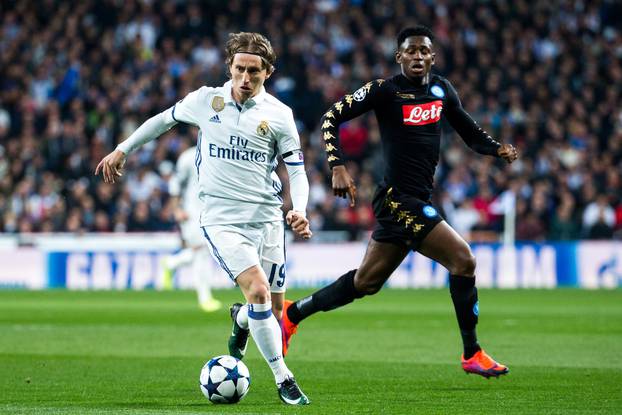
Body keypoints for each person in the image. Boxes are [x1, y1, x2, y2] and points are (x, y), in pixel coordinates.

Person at [282, 26, 518, 378]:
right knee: (463, 260)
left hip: (417, 198)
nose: (418, 56)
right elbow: (330, 117)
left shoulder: (441, 90)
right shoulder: (385, 90)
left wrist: (495, 148)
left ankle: (291, 315)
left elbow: (469, 131)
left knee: (366, 283)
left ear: (432, 57)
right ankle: (472, 352)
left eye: (424, 51)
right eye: (411, 51)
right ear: (399, 56)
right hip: (397, 199)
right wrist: (338, 166)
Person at [96, 32, 312, 405]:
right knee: (258, 291)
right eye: (239, 69)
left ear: (268, 72)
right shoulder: (205, 100)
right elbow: (163, 121)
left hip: (267, 221)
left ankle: (242, 319)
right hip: (220, 219)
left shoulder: (279, 116)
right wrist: (122, 149)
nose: (245, 78)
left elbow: (297, 171)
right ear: (229, 67)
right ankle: (284, 379)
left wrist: (300, 209)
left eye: (254, 72)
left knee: (272, 312)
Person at [160, 144, 222, 312]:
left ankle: (171, 263)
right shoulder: (189, 157)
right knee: (201, 251)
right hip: (192, 213)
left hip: (214, 212)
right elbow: (175, 182)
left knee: (206, 250)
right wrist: (177, 209)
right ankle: (205, 298)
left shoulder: (223, 151)